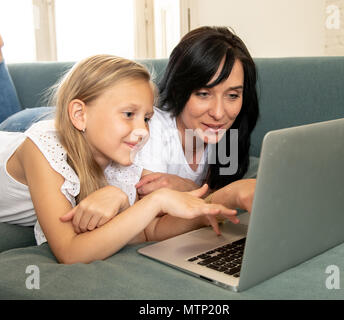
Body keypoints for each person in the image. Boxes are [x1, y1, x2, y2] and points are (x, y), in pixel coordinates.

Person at [0, 53, 239, 264]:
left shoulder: (122, 158)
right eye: (128, 114)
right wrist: (155, 201)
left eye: (146, 118)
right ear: (80, 115)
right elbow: (70, 251)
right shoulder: (43, 149)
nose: (143, 131)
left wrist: (207, 210)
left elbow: (148, 230)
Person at [134, 26, 259, 213]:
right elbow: (150, 218)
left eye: (232, 95)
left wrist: (188, 187)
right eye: (203, 94)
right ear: (178, 89)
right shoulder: (152, 129)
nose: (218, 113)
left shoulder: (228, 136)